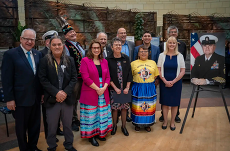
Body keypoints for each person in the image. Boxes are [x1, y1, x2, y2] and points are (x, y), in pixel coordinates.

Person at [2, 28, 42, 151]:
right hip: (19, 100)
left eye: (32, 39)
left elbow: (39, 77)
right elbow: (6, 79)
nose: (29, 42)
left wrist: (42, 94)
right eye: (26, 39)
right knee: (21, 128)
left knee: (35, 126)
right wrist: (9, 99)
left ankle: (33, 147)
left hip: (35, 98)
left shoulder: (37, 54)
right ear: (21, 39)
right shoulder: (11, 54)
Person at [38, 36, 77, 151]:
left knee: (67, 125)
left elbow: (74, 78)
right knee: (51, 126)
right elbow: (43, 79)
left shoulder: (70, 60)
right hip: (52, 99)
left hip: (67, 98)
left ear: (63, 46)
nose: (57, 47)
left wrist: (64, 93)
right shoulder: (44, 60)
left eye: (59, 44)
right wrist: (56, 93)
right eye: (54, 44)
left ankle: (69, 145)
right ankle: (52, 146)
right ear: (49, 46)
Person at [79, 40, 112, 146]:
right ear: (90, 49)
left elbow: (108, 77)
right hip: (91, 90)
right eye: (94, 48)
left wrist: (104, 88)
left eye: (98, 48)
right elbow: (85, 78)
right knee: (91, 115)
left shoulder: (104, 61)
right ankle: (91, 136)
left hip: (103, 91)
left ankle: (99, 133)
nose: (96, 50)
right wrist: (98, 88)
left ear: (101, 49)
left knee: (101, 114)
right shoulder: (85, 60)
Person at [159, 25, 187, 123]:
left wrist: (174, 81)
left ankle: (173, 120)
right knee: (165, 102)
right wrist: (165, 81)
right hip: (164, 81)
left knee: (175, 103)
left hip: (177, 81)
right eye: (170, 43)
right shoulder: (161, 53)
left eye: (173, 43)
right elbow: (159, 68)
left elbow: (183, 69)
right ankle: (165, 119)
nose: (171, 44)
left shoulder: (181, 53)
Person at [40, 30, 63, 142]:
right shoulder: (42, 54)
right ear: (47, 42)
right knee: (48, 115)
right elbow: (41, 77)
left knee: (57, 112)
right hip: (48, 92)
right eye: (51, 42)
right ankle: (50, 135)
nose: (55, 45)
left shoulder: (60, 53)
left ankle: (57, 129)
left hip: (59, 90)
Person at [107, 37, 132, 136]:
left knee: (125, 108)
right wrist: (115, 88)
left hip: (125, 88)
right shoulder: (108, 59)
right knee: (115, 109)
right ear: (112, 47)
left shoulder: (126, 58)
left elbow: (130, 73)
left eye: (119, 45)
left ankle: (124, 127)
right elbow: (107, 76)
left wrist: (127, 87)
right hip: (114, 88)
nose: (118, 46)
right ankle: (114, 127)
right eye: (116, 45)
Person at [131, 45, 159, 132]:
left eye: (145, 51)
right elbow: (130, 76)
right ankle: (137, 123)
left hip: (149, 87)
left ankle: (148, 123)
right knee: (137, 106)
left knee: (149, 106)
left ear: (149, 53)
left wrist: (148, 82)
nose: (143, 53)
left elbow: (155, 75)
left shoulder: (153, 63)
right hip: (138, 87)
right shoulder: (133, 63)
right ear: (138, 53)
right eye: (141, 51)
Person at [63, 24, 86, 131]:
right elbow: (66, 63)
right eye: (70, 33)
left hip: (82, 77)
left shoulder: (78, 44)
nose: (73, 33)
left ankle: (75, 118)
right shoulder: (66, 46)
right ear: (66, 36)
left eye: (73, 32)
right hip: (74, 78)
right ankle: (71, 121)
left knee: (76, 99)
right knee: (71, 99)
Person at [117, 27, 135, 122]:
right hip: (118, 74)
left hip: (129, 74)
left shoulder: (132, 44)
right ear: (117, 35)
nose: (123, 35)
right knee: (119, 94)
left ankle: (127, 114)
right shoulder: (113, 45)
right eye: (121, 33)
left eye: (124, 33)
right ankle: (118, 113)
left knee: (128, 94)